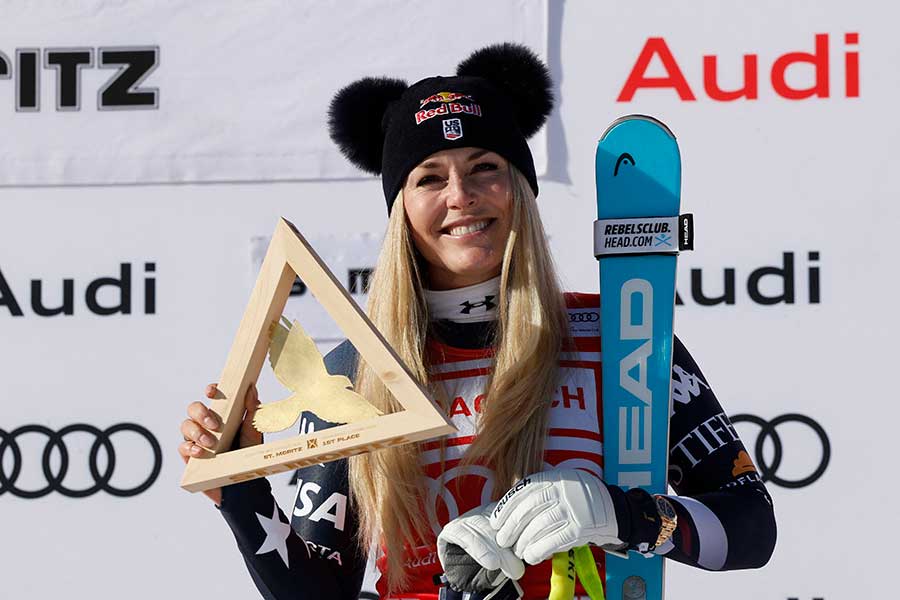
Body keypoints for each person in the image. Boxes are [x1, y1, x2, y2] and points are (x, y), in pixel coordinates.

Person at [179, 43, 776, 600]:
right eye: (429, 177)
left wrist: (622, 514)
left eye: (485, 166)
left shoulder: (623, 339)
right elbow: (319, 590)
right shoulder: (360, 370)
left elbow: (750, 526)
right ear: (400, 210)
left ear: (519, 189)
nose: (461, 195)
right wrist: (238, 485)